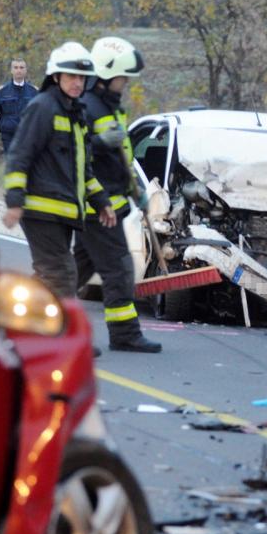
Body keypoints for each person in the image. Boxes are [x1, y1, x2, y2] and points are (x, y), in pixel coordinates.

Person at [1, 42, 118, 356]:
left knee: (48, 274)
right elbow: (19, 155)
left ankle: (14, 324)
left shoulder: (76, 113)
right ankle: (69, 337)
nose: (77, 82)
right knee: (63, 271)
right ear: (55, 76)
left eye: (82, 77)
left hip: (62, 211)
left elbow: (84, 170)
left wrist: (102, 201)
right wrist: (14, 200)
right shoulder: (43, 107)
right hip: (40, 209)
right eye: (70, 76)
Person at [76, 36, 160, 353]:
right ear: (107, 75)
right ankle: (124, 333)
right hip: (98, 205)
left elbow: (120, 156)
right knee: (119, 269)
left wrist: (134, 189)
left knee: (74, 270)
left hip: (112, 198)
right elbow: (76, 153)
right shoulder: (88, 106)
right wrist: (98, 143)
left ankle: (36, 320)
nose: (125, 83)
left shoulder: (109, 106)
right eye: (123, 78)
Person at [0, 58, 37, 152]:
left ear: (25, 70)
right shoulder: (2, 91)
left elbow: (42, 115)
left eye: (21, 67)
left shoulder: (34, 91)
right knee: (12, 164)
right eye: (15, 67)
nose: (18, 70)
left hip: (29, 135)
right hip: (9, 136)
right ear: (11, 70)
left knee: (28, 165)